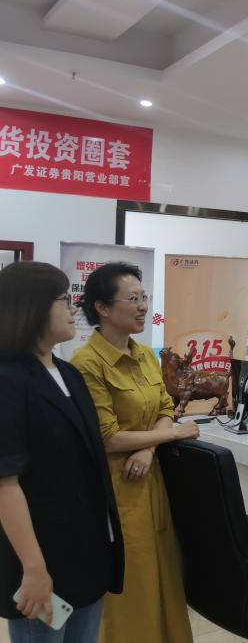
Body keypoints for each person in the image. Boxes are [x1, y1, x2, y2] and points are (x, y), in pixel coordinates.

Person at [70, 263, 198, 643]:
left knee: (164, 576)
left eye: (145, 297)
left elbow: (164, 407)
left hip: (151, 480)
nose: (143, 306)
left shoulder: (144, 353)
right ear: (103, 308)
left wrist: (149, 447)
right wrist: (170, 435)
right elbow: (106, 437)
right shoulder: (86, 364)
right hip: (117, 490)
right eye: (133, 299)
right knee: (132, 587)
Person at [0, 262, 124, 643]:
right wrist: (33, 567)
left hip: (86, 553)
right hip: (40, 561)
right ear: (32, 307)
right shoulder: (8, 379)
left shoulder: (69, 373)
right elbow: (5, 483)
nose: (74, 309)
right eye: (64, 300)